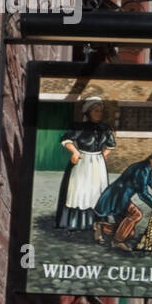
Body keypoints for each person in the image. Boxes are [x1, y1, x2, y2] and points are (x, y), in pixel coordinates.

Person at [92, 145, 152, 252]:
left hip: (120, 197)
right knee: (136, 214)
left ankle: (101, 227)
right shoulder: (142, 169)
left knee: (129, 233)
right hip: (117, 198)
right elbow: (142, 192)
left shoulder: (145, 168)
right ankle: (117, 242)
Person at [55, 98, 114, 231]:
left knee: (97, 191)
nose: (99, 114)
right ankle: (76, 222)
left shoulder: (105, 128)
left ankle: (97, 222)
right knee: (80, 191)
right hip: (83, 161)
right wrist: (75, 152)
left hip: (98, 164)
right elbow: (66, 140)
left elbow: (110, 145)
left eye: (100, 111)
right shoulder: (80, 127)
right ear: (88, 112)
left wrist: (102, 156)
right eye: (96, 111)